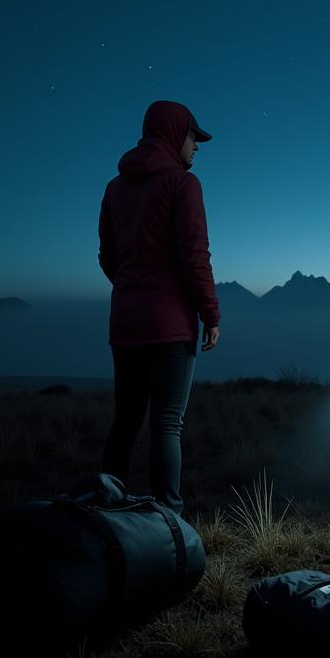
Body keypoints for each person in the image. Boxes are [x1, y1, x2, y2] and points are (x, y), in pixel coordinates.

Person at [97, 100, 221, 515]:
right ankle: (169, 521)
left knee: (125, 422)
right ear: (173, 134)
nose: (197, 147)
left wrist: (133, 288)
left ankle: (106, 513)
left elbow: (107, 257)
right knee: (167, 424)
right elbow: (194, 255)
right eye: (193, 137)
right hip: (170, 325)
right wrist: (211, 314)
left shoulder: (115, 188)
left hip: (126, 322)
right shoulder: (184, 185)